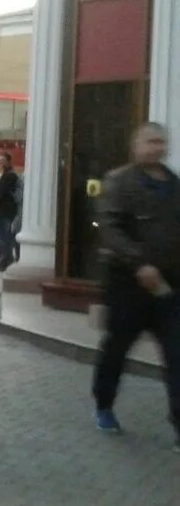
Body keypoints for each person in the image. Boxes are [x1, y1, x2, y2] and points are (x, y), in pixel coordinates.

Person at [92, 122, 180, 451]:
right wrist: (138, 263)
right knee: (117, 348)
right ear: (135, 145)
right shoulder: (119, 182)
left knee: (177, 354)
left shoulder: (174, 184)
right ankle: (104, 405)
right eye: (150, 141)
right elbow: (110, 229)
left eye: (161, 142)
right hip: (128, 284)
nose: (156, 147)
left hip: (169, 287)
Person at [0, 152, 19, 271]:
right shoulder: (8, 175)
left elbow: (1, 194)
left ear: (8, 161)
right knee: (5, 237)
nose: (0, 162)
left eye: (2, 160)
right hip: (5, 211)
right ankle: (7, 259)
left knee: (4, 237)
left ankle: (6, 260)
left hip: (4, 211)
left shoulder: (9, 176)